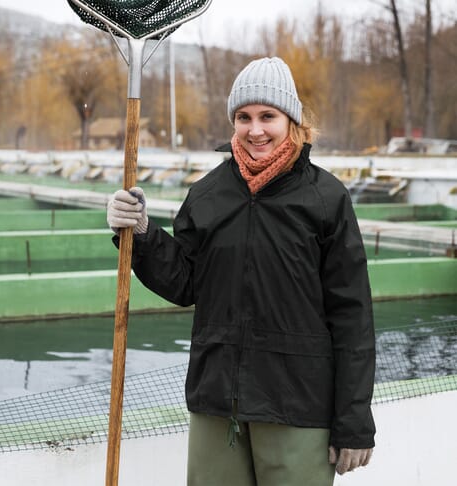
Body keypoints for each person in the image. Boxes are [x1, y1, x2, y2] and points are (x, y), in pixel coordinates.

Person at [107, 57, 376, 485]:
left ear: (291, 119)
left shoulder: (327, 198)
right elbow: (185, 282)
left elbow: (352, 316)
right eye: (243, 117)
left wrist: (354, 420)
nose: (255, 130)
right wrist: (139, 233)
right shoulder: (207, 194)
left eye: (267, 116)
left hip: (298, 406)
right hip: (217, 403)